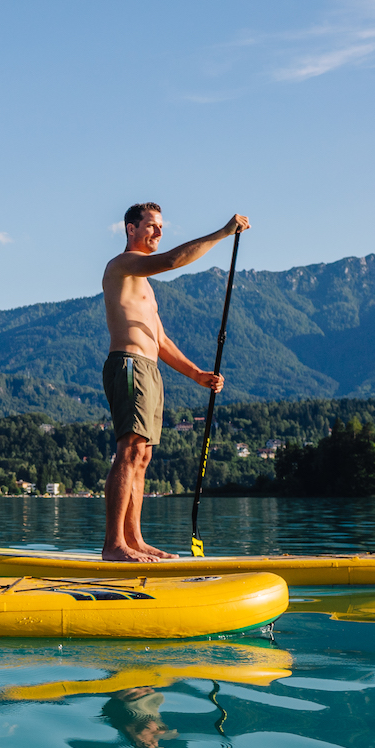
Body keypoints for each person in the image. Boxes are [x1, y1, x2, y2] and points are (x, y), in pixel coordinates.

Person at [99, 203, 250, 561]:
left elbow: (162, 341)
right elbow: (170, 261)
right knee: (130, 450)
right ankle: (113, 545)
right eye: (151, 226)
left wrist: (197, 374)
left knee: (144, 456)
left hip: (150, 369)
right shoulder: (122, 266)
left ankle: (134, 540)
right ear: (130, 229)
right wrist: (221, 233)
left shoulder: (144, 287)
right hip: (129, 365)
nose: (159, 233)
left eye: (161, 227)